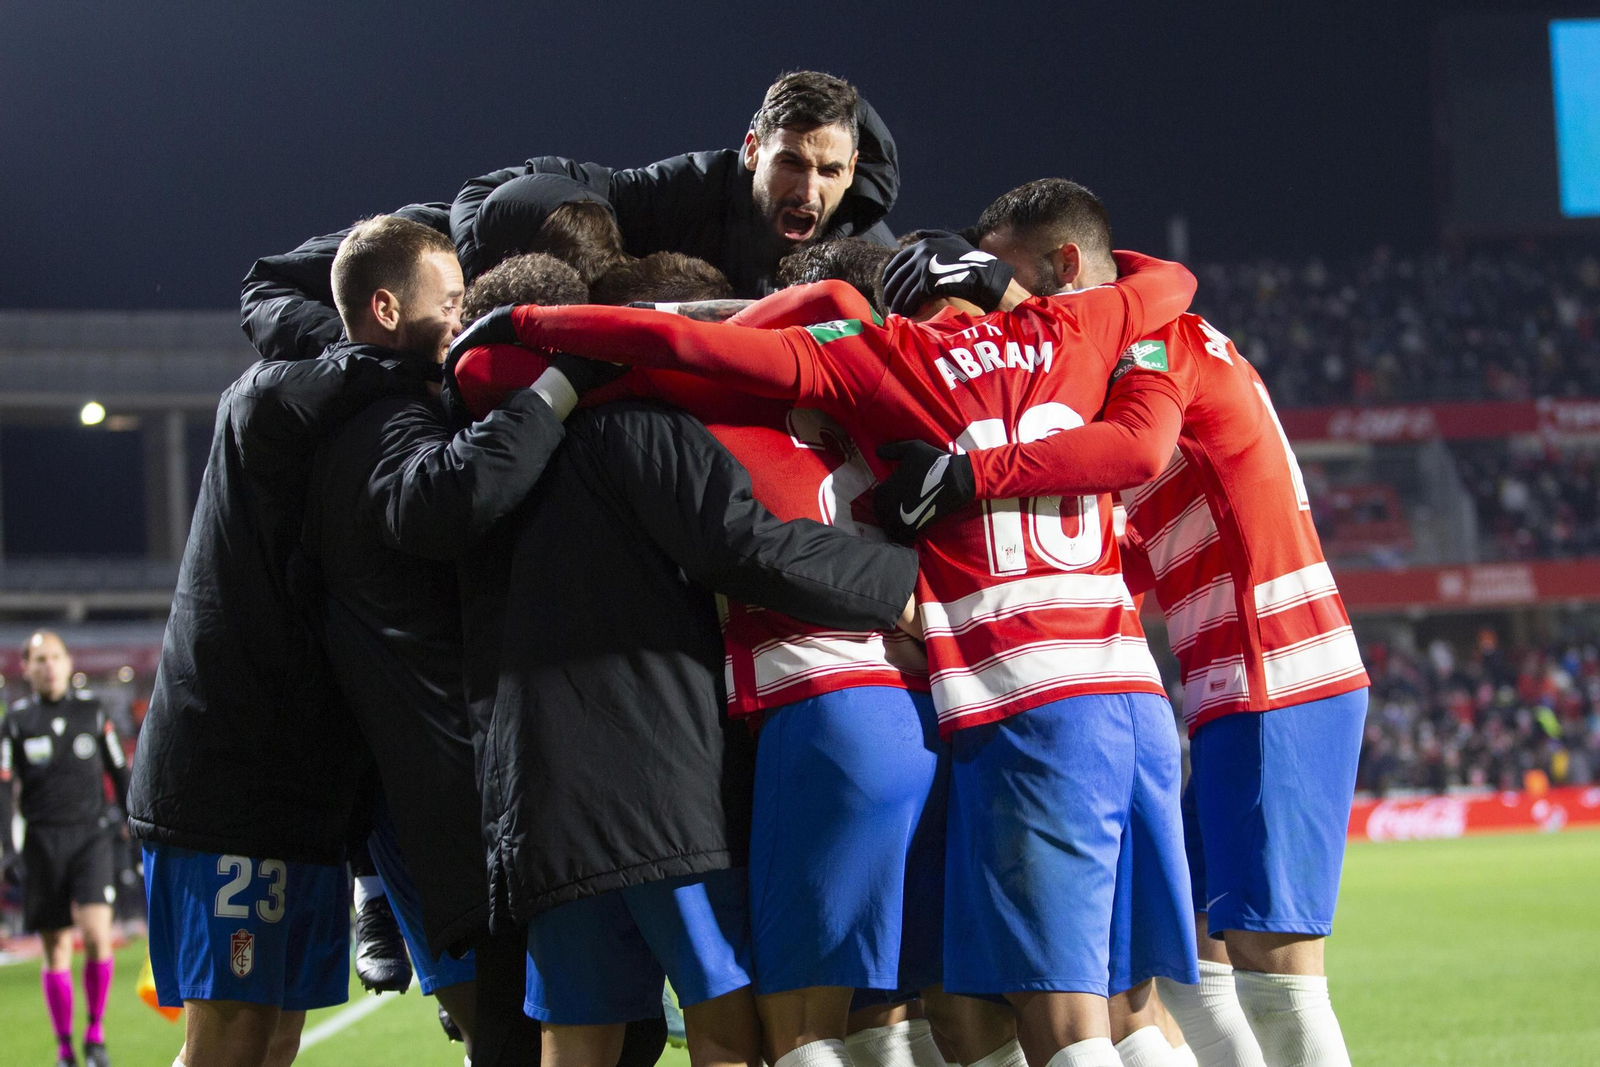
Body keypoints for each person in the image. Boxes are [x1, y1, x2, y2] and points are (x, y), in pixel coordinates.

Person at [450, 235, 1202, 1067]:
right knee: (985, 1010)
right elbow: (1166, 289)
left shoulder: (784, 380)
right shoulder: (982, 357)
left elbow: (492, 374)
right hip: (989, 707)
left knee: (797, 1027)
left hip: (844, 709)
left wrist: (568, 331)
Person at [874, 180, 1371, 1067]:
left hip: (1274, 666)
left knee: (1277, 971)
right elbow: (1121, 536)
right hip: (1232, 675)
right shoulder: (1150, 325)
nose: (998, 314)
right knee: (1186, 965)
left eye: (1004, 280)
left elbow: (1135, 450)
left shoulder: (1151, 340)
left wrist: (966, 474)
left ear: (1064, 267)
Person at [453, 273, 948, 1067]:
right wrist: (903, 588)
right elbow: (742, 545)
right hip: (662, 783)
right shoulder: (654, 424)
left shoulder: (477, 452)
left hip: (540, 790)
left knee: (575, 1034)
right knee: (738, 1022)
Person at [130, 214, 452, 1066]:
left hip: (301, 798)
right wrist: (408, 376)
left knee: (274, 1039)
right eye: (451, 304)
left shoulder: (361, 414)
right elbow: (296, 333)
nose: (463, 323)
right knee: (230, 1041)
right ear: (385, 310)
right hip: (230, 785)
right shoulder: (270, 400)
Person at [451, 71, 899, 295]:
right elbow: (495, 188)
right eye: (791, 162)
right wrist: (474, 278)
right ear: (752, 150)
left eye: (829, 171)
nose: (807, 191)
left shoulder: (872, 255)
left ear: (853, 168)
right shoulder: (696, 187)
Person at [1, 632, 129, 1067]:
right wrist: (8, 848)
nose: (48, 665)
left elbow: (119, 769)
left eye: (54, 656)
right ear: (26, 667)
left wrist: (132, 821)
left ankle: (95, 1035)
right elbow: (3, 790)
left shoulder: (92, 712)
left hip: (90, 837)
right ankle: (63, 1048)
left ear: (68, 661)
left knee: (96, 937)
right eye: (39, 659)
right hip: (41, 842)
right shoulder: (16, 722)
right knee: (55, 948)